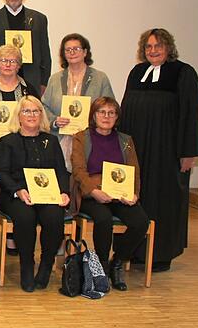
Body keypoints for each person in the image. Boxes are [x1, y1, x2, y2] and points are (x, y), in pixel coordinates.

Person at [118, 28, 198, 272]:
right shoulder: (137, 73)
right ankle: (134, 251)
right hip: (138, 152)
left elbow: (193, 114)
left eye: (158, 46)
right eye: (148, 46)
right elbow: (125, 111)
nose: (153, 50)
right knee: (137, 196)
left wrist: (188, 153)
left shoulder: (183, 73)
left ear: (168, 47)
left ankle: (160, 254)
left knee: (163, 200)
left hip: (167, 153)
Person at [70, 97, 149, 291]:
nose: (106, 117)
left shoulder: (125, 140)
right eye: (101, 112)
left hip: (120, 193)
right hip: (92, 193)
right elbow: (78, 170)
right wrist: (94, 191)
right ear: (94, 115)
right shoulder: (81, 137)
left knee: (140, 222)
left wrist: (134, 194)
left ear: (117, 117)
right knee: (103, 218)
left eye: (111, 113)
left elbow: (134, 170)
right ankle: (102, 267)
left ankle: (118, 262)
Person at [0, 96, 70, 292]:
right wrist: (18, 190)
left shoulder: (51, 141)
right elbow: (0, 171)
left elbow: (61, 171)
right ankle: (26, 266)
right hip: (16, 194)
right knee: (25, 216)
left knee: (54, 216)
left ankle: (46, 264)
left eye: (36, 111)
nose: (32, 115)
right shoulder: (7, 141)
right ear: (18, 116)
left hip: (48, 195)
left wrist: (63, 193)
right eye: (26, 111)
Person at [42, 33, 115, 169]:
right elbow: (43, 106)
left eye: (76, 49)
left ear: (85, 52)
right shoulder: (55, 79)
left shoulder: (100, 78)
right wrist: (55, 121)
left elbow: (110, 107)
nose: (72, 52)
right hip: (61, 140)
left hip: (91, 140)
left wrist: (93, 122)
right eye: (68, 50)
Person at [0, 45, 40, 165]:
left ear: (19, 65)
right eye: (4, 60)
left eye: (13, 61)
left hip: (23, 151)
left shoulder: (28, 89)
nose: (8, 65)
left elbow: (39, 119)